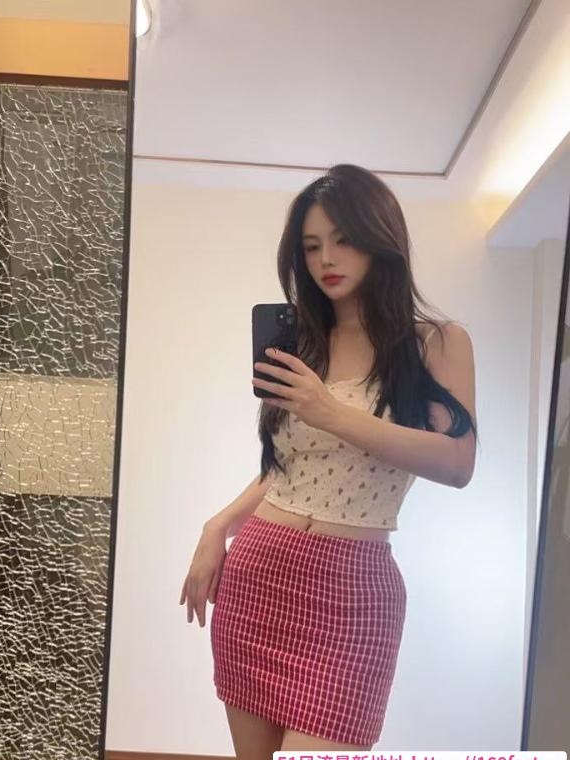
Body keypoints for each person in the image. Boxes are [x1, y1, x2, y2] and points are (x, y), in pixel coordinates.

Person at [179, 164, 477, 757]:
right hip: (260, 577)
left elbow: (457, 464)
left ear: (379, 239)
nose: (326, 259)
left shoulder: (435, 343)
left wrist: (330, 411)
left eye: (343, 240)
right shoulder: (303, 343)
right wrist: (218, 526)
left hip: (354, 593)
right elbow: (289, 465)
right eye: (311, 246)